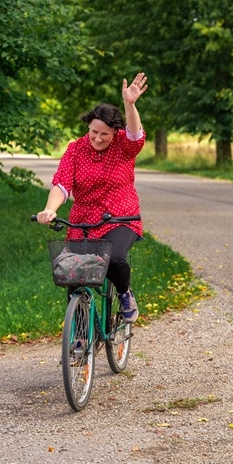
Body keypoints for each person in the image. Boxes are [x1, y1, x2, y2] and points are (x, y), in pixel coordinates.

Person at [36, 72, 148, 323]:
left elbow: (134, 133)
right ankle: (78, 338)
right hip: (84, 220)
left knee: (115, 259)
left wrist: (130, 104)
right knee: (72, 274)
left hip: (120, 216)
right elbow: (62, 183)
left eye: (104, 134)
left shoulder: (124, 146)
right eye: (93, 132)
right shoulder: (76, 149)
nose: (97, 138)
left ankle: (125, 293)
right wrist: (50, 209)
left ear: (114, 133)